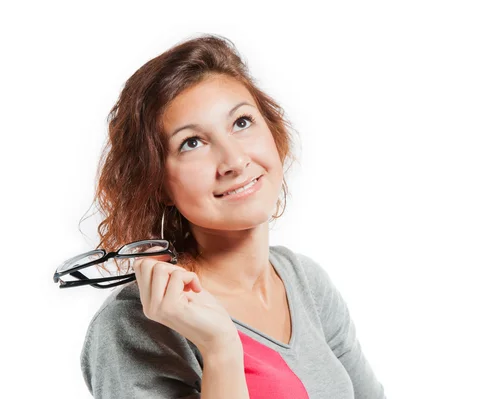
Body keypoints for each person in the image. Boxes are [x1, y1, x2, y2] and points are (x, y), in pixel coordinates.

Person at [80, 33, 387, 399]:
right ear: (158, 183)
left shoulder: (305, 283)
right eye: (192, 142)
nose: (235, 161)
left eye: (241, 122)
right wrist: (220, 349)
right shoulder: (133, 324)